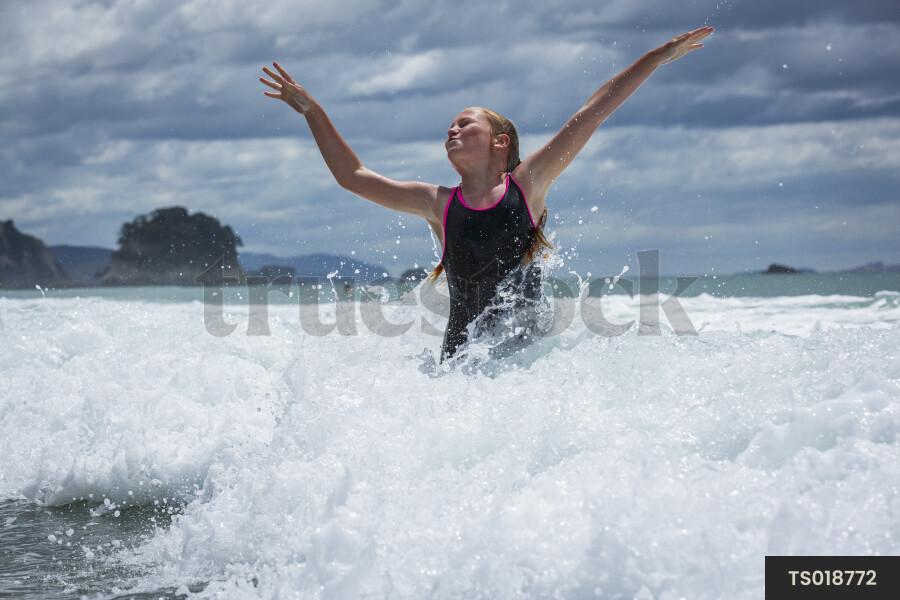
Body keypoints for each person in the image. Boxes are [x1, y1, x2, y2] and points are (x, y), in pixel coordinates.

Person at [260, 27, 713, 360]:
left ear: (500, 142)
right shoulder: (437, 202)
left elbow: (593, 111)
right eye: (450, 126)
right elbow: (352, 174)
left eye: (465, 123)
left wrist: (653, 59)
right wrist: (311, 111)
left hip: (526, 358)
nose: (452, 130)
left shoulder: (528, 183)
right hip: (460, 359)